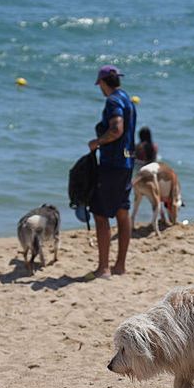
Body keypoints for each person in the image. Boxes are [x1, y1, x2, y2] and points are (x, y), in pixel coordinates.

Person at [87, 65, 137, 279]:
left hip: (113, 164)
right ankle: (120, 266)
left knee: (100, 214)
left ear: (102, 83)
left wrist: (97, 142)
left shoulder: (113, 101)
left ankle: (103, 268)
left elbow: (117, 129)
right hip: (127, 161)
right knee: (122, 212)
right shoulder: (127, 98)